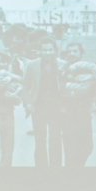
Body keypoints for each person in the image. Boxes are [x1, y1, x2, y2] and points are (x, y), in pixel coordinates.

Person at [22, 37, 66, 167]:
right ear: (40, 51)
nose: (47, 53)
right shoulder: (32, 65)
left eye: (50, 50)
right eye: (45, 50)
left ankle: (55, 170)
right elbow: (25, 85)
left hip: (56, 108)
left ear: (54, 50)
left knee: (55, 140)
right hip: (38, 108)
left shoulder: (62, 64)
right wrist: (27, 102)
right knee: (40, 140)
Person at [62, 42, 96, 167]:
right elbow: (61, 89)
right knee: (70, 151)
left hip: (84, 114)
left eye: (75, 51)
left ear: (81, 53)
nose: (72, 54)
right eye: (69, 51)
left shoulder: (88, 68)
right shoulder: (64, 70)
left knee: (87, 148)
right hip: (68, 115)